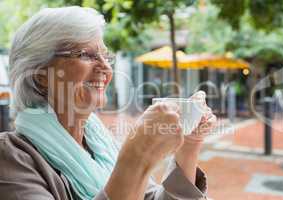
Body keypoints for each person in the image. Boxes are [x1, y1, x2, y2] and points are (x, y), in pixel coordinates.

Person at [0, 6, 216, 200]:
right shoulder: (11, 157)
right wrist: (136, 156)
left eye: (105, 56)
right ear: (41, 75)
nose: (106, 68)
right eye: (85, 54)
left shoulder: (100, 143)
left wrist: (188, 146)